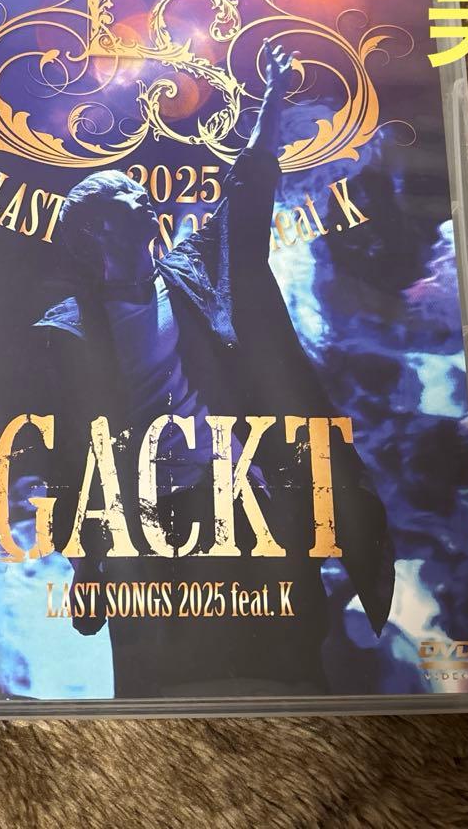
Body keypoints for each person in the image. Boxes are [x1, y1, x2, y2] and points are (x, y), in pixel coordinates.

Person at [31, 42, 394, 698]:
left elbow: (247, 190)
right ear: (94, 233)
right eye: (126, 201)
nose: (144, 202)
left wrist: (273, 97)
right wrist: (86, 568)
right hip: (144, 520)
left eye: (141, 197)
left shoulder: (191, 273)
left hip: (239, 495)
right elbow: (72, 455)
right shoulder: (68, 331)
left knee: (287, 653)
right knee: (161, 674)